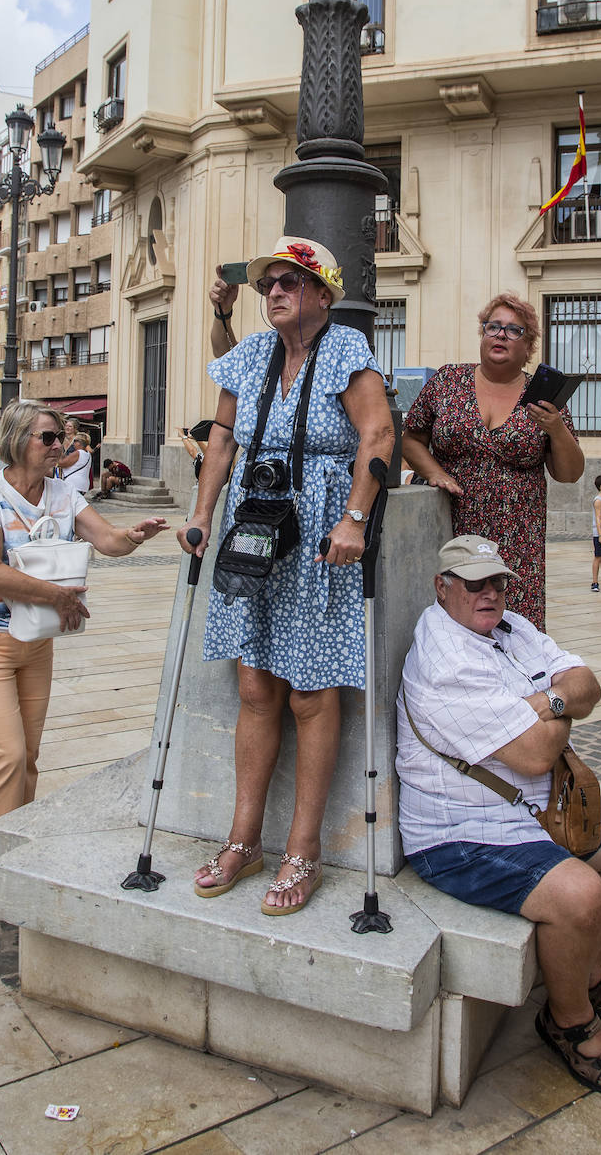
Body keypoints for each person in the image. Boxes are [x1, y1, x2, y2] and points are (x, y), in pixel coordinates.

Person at [397, 534, 601, 1097]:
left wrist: (545, 704)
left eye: (497, 581)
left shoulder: (510, 626)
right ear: (442, 587)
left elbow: (588, 686)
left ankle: (588, 974)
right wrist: (558, 702)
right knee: (580, 893)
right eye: (474, 584)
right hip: (462, 835)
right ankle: (568, 1022)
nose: (490, 593)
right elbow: (538, 754)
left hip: (532, 811)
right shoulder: (446, 659)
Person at [178, 238, 395, 914]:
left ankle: (304, 851)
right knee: (254, 686)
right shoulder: (249, 356)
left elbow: (378, 435)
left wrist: (354, 519)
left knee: (310, 692)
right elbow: (221, 439)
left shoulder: (347, 350)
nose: (274, 291)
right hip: (254, 523)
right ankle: (243, 841)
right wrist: (201, 514)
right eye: (268, 283)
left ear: (323, 295)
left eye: (290, 282)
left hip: (320, 531)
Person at [0, 399, 169, 900]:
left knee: (28, 756)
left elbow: (107, 540)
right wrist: (57, 596)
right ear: (17, 440)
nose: (59, 447)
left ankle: (15, 846)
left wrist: (134, 535)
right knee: (6, 755)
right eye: (48, 438)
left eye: (61, 438)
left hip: (35, 643)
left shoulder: (64, 493)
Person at [401, 294, 584, 630]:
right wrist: (434, 472)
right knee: (452, 619)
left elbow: (569, 473)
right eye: (493, 327)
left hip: (517, 538)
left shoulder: (543, 399)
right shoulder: (448, 381)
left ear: (528, 346)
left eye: (514, 330)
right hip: (450, 526)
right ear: (483, 334)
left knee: (514, 627)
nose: (501, 335)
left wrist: (556, 428)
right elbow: (411, 438)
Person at [209, 264, 240, 358]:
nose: (274, 293)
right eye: (268, 283)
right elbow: (224, 355)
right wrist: (223, 312)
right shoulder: (262, 345)